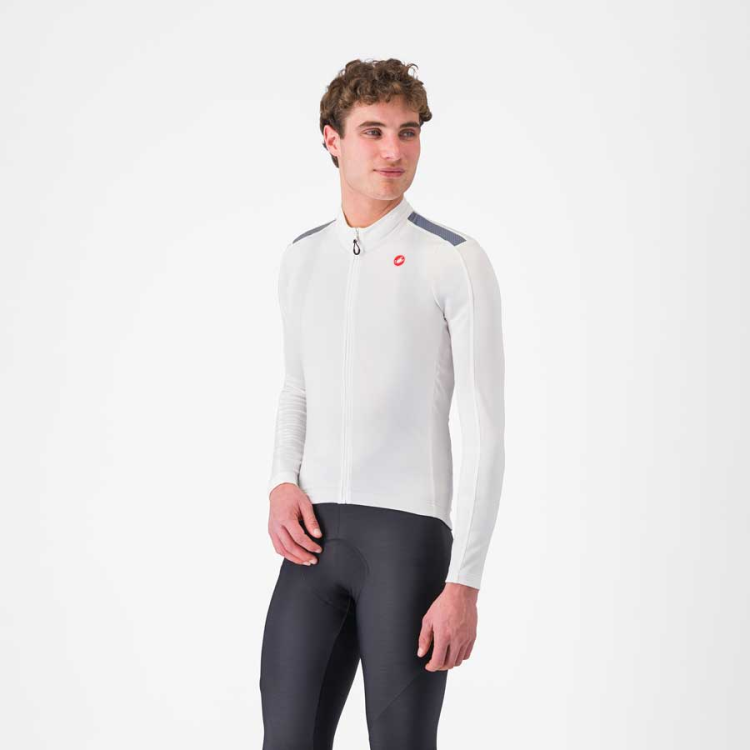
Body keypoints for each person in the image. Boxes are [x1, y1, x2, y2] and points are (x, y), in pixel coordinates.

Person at [259, 57, 506, 750]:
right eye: (372, 131)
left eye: (408, 132)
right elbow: (297, 387)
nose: (393, 150)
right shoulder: (302, 258)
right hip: (313, 545)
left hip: (408, 547)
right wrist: (281, 481)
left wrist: (465, 583)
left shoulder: (452, 259)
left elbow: (485, 431)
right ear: (331, 139)